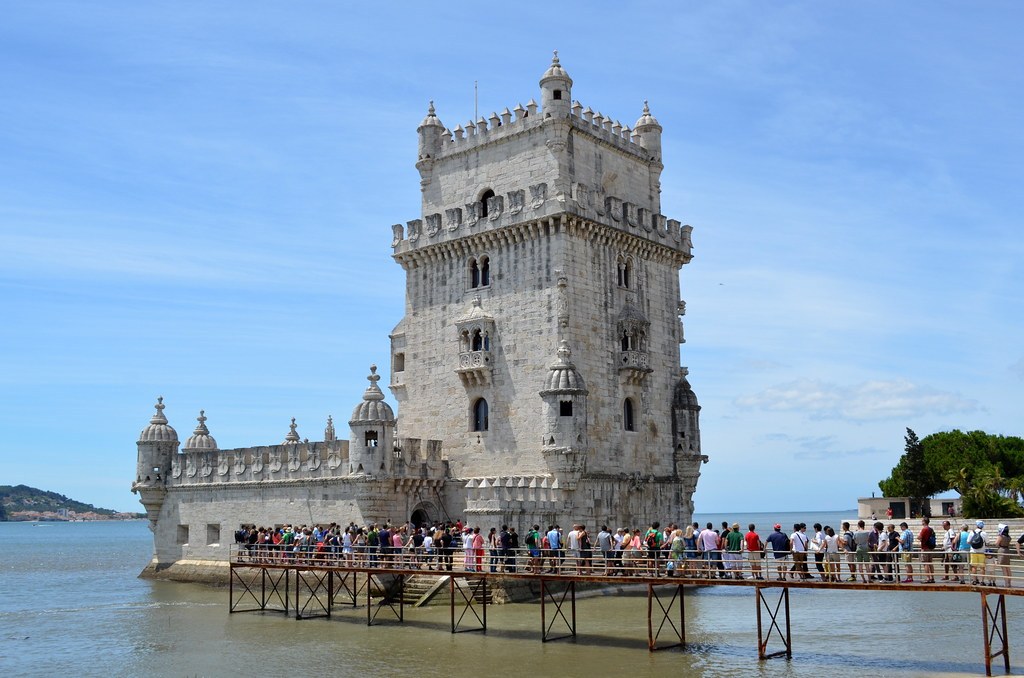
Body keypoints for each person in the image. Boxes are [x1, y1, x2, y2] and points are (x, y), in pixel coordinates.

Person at [968, 520, 989, 586]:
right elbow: (988, 542)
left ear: (976, 525)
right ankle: (982, 581)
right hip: (981, 552)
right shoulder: (984, 533)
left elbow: (968, 541)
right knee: (982, 567)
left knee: (974, 567)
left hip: (973, 551)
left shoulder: (972, 532)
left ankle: (974, 580)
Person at [994, 523, 1012, 588]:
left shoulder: (1001, 536)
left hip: (1002, 550)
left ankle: (1006, 583)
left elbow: (996, 543)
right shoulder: (1008, 537)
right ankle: (1009, 582)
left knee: (1004, 568)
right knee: (1008, 567)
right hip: (1007, 550)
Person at [918, 517, 936, 583]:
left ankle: (928, 578)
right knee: (930, 563)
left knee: (925, 563)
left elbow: (919, 537)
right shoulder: (931, 529)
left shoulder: (924, 529)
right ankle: (932, 577)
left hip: (925, 548)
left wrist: (919, 538)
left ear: (924, 522)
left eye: (922, 521)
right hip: (930, 548)